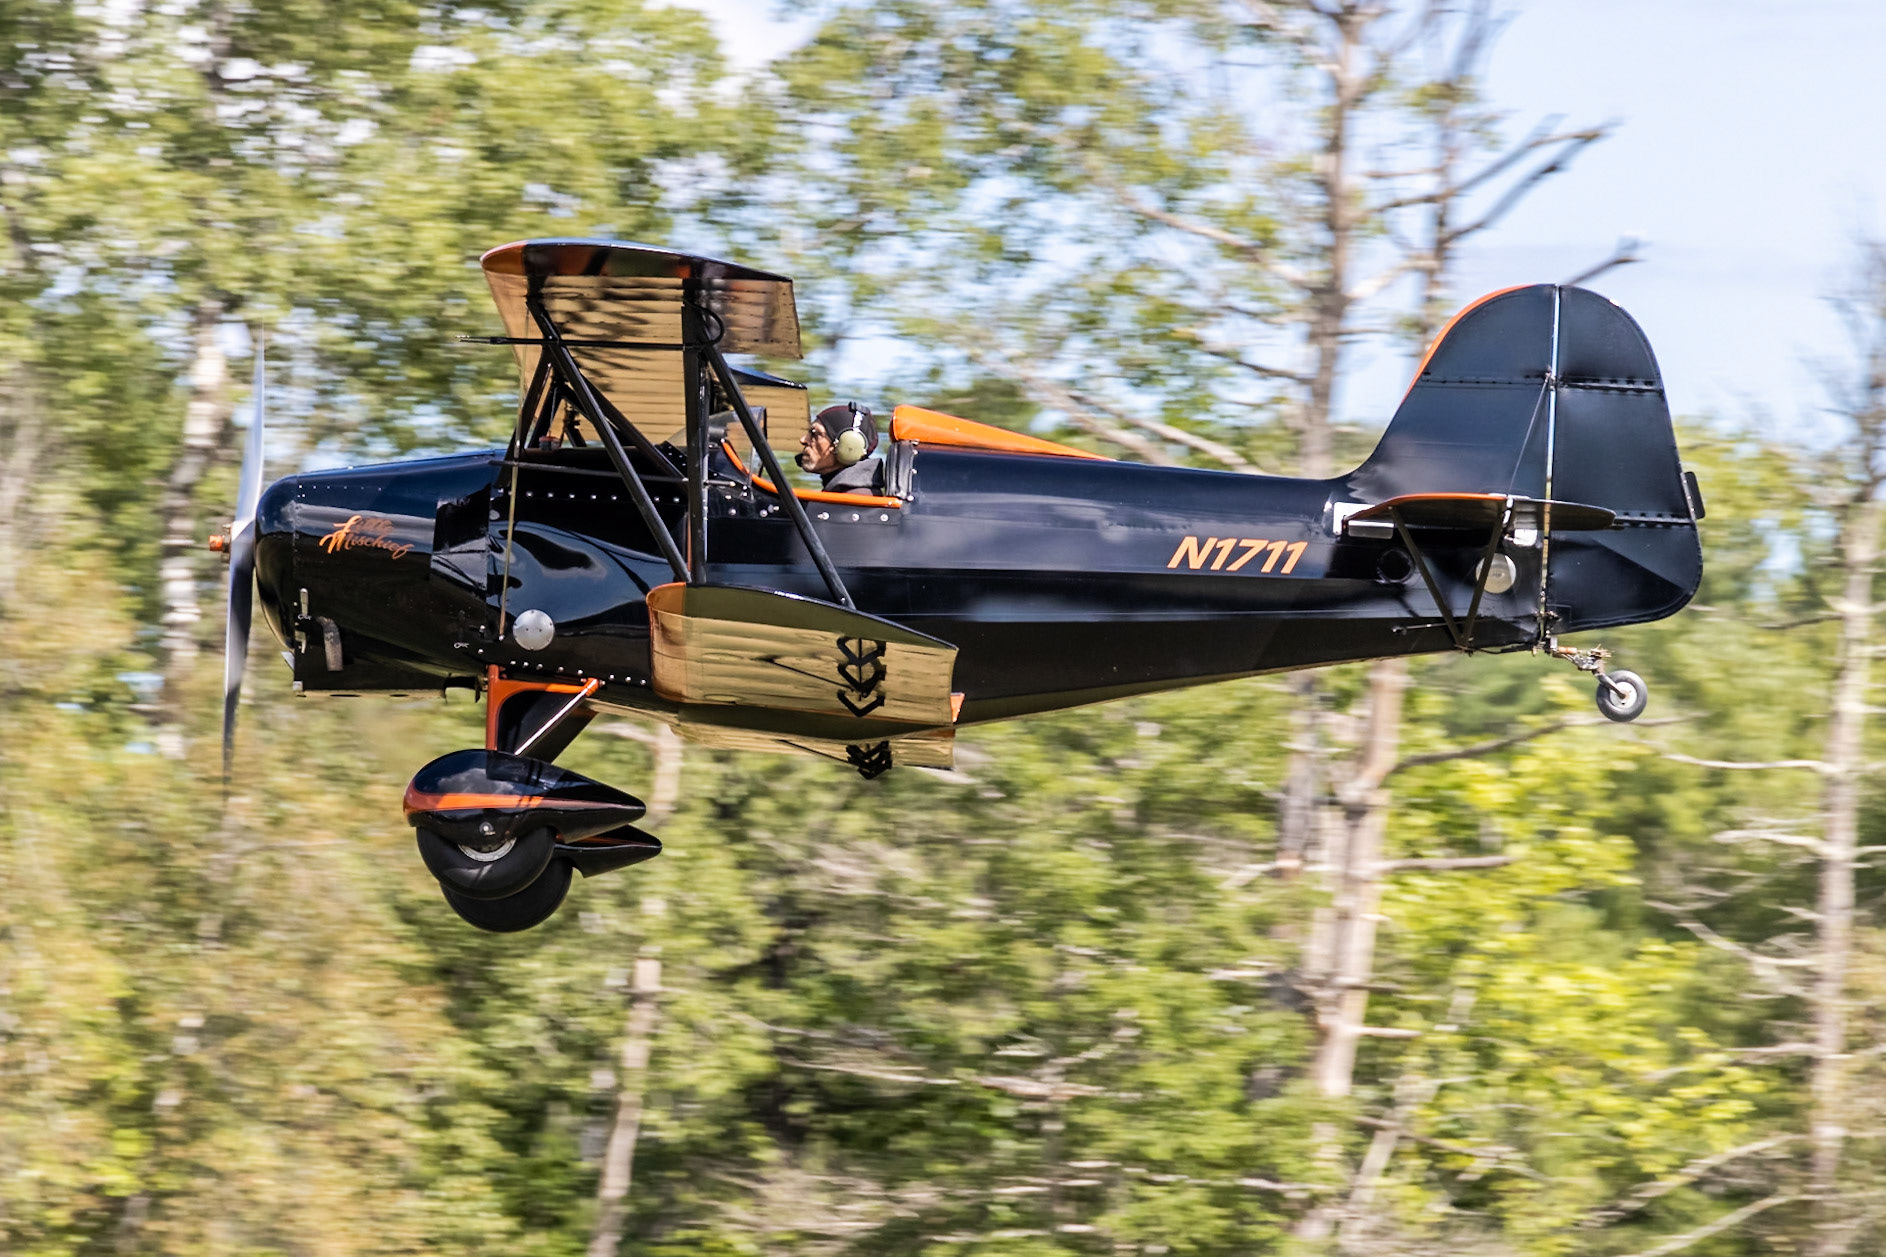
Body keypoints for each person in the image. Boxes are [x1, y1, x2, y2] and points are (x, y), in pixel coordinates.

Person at [796, 401, 883, 494]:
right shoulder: (842, 495)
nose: (803, 440)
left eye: (815, 434)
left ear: (847, 445)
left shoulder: (855, 501)